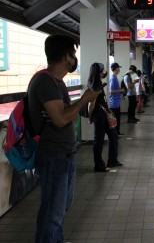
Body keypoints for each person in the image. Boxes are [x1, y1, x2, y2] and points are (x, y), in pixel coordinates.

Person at [28, 34, 100, 243]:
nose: (75, 60)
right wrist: (84, 100)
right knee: (53, 211)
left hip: (65, 154)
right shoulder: (45, 81)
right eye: (73, 55)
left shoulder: (58, 82)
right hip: (53, 155)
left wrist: (73, 107)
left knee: (61, 206)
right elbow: (60, 119)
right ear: (66, 57)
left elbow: (62, 115)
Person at [87, 62, 122, 171]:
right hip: (99, 116)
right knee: (99, 140)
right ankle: (99, 165)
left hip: (103, 114)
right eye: (102, 71)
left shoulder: (97, 83)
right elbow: (91, 104)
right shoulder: (96, 86)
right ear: (98, 72)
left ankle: (112, 160)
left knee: (112, 136)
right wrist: (90, 117)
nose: (104, 72)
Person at [108, 62, 125, 137]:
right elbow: (110, 90)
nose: (119, 70)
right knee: (115, 120)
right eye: (118, 68)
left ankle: (117, 133)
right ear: (116, 69)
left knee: (117, 119)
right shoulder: (113, 79)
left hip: (116, 103)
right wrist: (120, 91)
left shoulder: (115, 78)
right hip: (113, 104)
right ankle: (115, 135)